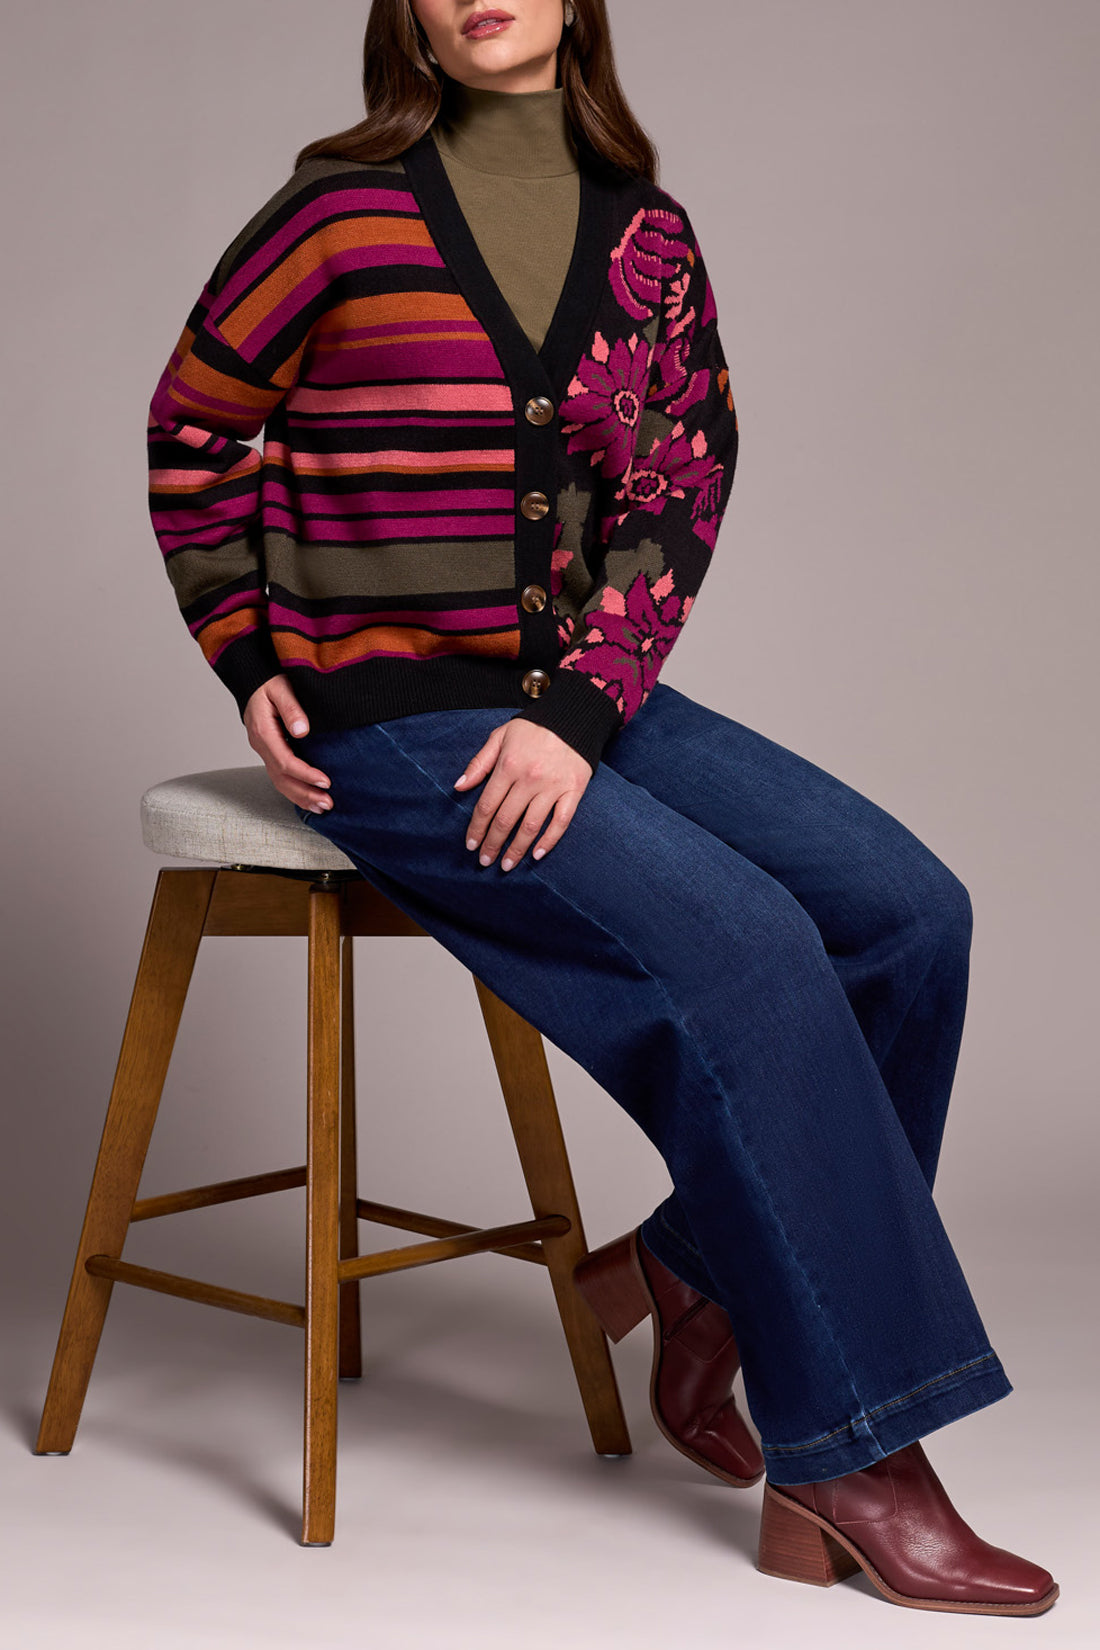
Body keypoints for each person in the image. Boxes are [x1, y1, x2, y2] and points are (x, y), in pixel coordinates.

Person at [145, 0, 1058, 1617]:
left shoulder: (648, 236)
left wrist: (576, 712)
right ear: (407, 18)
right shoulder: (335, 211)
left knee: (911, 917)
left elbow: (679, 481)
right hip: (393, 715)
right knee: (752, 950)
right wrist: (245, 650)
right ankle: (852, 1453)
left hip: (580, 699)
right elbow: (195, 426)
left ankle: (697, 1268)